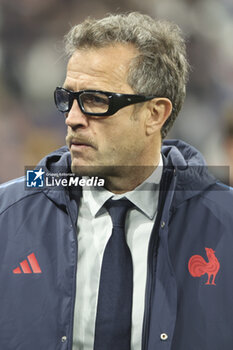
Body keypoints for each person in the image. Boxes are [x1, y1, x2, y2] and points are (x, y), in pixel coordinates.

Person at [0, 12, 233, 350]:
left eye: (96, 101)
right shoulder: (7, 216)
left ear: (155, 114)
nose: (73, 118)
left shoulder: (225, 221)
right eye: (68, 99)